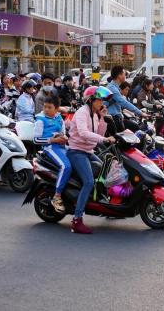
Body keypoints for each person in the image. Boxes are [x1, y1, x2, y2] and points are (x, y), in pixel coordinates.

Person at [67, 86, 115, 234]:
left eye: (102, 100)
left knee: (106, 169)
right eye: (99, 99)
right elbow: (83, 133)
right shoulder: (82, 113)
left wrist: (103, 118)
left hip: (88, 150)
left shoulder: (94, 114)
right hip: (77, 151)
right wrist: (104, 139)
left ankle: (103, 203)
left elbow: (98, 134)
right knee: (88, 181)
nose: (102, 102)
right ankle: (77, 220)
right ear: (91, 100)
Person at [33, 96, 71, 214]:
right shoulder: (40, 120)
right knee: (66, 167)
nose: (46, 109)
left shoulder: (59, 118)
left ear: (57, 109)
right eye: (45, 107)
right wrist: (53, 140)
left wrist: (64, 137)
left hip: (62, 146)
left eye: (49, 107)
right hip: (49, 148)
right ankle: (57, 195)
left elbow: (63, 133)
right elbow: (36, 140)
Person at [106, 66, 148, 132]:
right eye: (124, 74)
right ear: (119, 75)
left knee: (134, 127)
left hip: (117, 117)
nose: (125, 76)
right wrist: (140, 113)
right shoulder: (112, 88)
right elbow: (124, 103)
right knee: (134, 129)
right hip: (113, 119)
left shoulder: (115, 87)